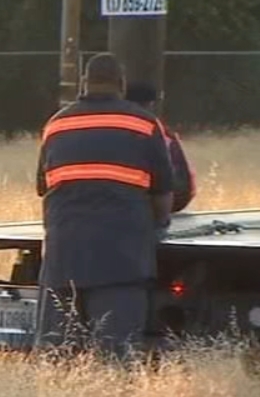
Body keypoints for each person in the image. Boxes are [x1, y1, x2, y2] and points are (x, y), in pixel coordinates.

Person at [34, 53, 175, 360]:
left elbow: (43, 187)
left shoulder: (56, 126)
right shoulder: (143, 123)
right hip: (121, 260)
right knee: (116, 356)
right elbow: (164, 193)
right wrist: (158, 226)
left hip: (63, 258)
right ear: (121, 84)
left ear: (83, 83)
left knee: (57, 356)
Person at [125, 81, 196, 212]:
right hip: (179, 196)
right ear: (151, 104)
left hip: (169, 199)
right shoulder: (161, 129)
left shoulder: (144, 128)